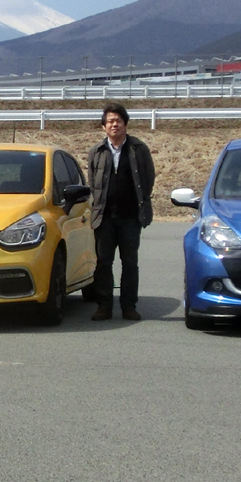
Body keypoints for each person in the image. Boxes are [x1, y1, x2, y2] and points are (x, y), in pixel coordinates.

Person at [86, 102, 155, 321]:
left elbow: (148, 179)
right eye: (110, 121)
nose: (114, 125)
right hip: (104, 218)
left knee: (130, 263)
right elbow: (93, 183)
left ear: (125, 124)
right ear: (104, 126)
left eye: (118, 120)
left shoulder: (138, 149)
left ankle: (129, 307)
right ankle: (104, 306)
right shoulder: (97, 151)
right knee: (103, 263)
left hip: (130, 218)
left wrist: (141, 204)